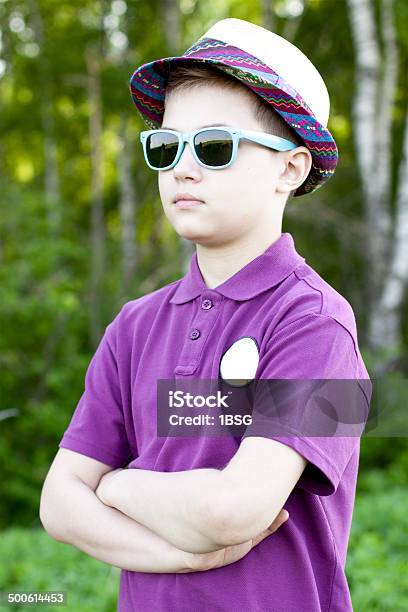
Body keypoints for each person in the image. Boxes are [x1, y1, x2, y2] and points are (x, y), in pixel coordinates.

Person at [40, 18, 372, 612]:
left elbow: (234, 511)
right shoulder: (133, 327)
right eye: (166, 147)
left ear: (289, 169)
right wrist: (181, 556)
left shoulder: (322, 327)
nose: (183, 169)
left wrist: (116, 485)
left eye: (214, 147)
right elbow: (59, 507)